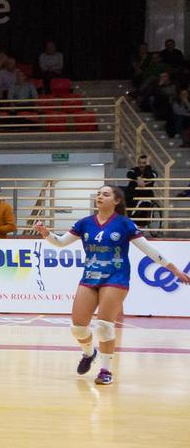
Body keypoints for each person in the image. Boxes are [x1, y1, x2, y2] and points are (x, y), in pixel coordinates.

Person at [36, 186, 190, 385]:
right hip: (90, 277)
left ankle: (105, 370)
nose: (100, 196)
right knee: (78, 328)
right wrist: (46, 233)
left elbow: (149, 250)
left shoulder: (124, 224)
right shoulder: (84, 223)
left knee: (104, 326)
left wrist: (174, 269)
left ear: (116, 201)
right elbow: (60, 242)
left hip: (116, 277)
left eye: (105, 194)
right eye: (99, 193)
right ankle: (89, 353)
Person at [125, 154, 158, 225]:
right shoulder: (134, 170)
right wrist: (138, 178)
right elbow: (129, 173)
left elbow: (149, 177)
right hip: (132, 197)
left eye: (144, 163)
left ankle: (138, 226)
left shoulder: (153, 172)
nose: (141, 165)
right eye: (139, 163)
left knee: (143, 208)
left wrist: (148, 165)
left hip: (145, 197)